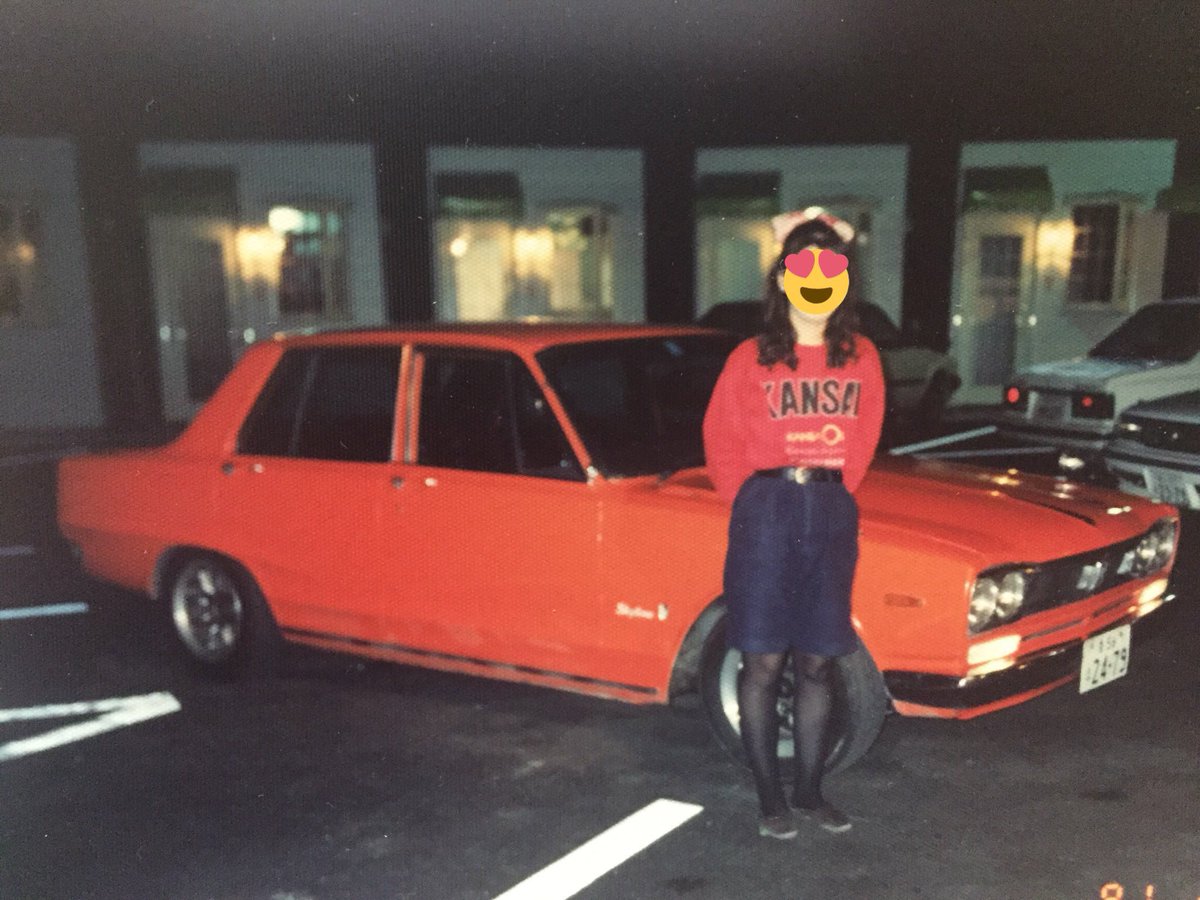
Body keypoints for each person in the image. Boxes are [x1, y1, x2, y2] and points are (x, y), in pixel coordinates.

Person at [701, 209, 885, 839]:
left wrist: (828, 494)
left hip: (829, 512)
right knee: (761, 662)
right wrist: (758, 501)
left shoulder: (861, 358)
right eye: (802, 267)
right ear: (782, 278)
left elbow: (864, 439)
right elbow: (720, 441)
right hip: (767, 512)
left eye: (830, 268)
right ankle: (770, 799)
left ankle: (809, 791)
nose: (816, 280)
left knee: (818, 662)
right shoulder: (749, 358)